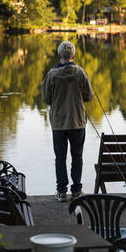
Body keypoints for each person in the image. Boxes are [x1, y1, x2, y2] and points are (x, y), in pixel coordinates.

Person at [42, 41, 94, 202]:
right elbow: (89, 96)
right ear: (73, 56)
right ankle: (77, 190)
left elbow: (46, 99)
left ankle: (62, 192)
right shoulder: (80, 73)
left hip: (58, 123)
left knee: (60, 157)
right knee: (77, 156)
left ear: (59, 56)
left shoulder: (51, 75)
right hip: (77, 121)